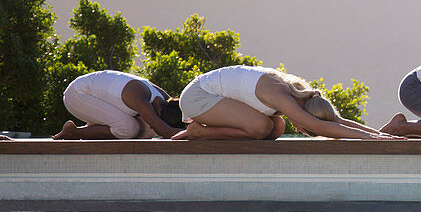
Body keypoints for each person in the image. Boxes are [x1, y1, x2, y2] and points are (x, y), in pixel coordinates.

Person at [173, 65, 401, 140]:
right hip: (199, 96)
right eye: (306, 128)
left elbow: (336, 120)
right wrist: (369, 138)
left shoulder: (301, 95)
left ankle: (203, 130)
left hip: (217, 96)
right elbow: (322, 127)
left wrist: (380, 135)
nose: (302, 129)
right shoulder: (284, 97)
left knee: (277, 128)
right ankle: (199, 132)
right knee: (260, 128)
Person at [52, 70, 185, 140]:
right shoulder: (140, 97)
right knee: (129, 128)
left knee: (138, 126)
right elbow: (166, 132)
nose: (154, 119)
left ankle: (94, 128)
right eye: (157, 117)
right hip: (77, 94)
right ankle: (73, 132)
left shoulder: (165, 100)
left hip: (94, 91)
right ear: (159, 110)